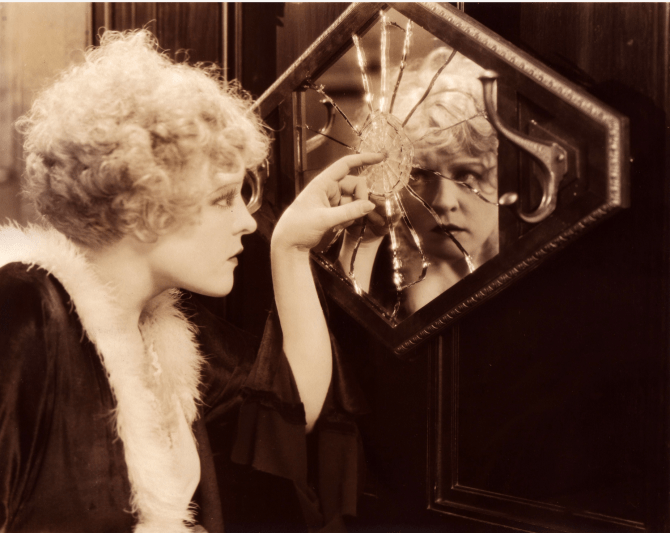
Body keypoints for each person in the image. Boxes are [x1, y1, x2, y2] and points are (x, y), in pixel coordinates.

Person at [0, 30, 381, 533]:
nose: (245, 222)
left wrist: (289, 248)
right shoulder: (27, 310)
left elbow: (288, 407)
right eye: (222, 198)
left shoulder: (165, 328)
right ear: (142, 204)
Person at [338, 48, 499, 317]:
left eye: (467, 175)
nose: (443, 202)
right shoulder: (369, 262)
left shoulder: (536, 271)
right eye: (419, 176)